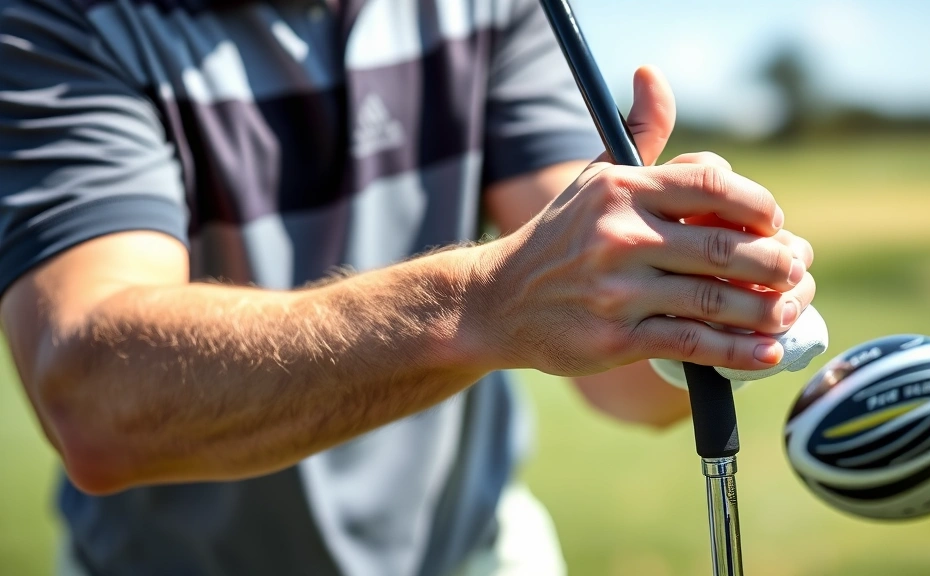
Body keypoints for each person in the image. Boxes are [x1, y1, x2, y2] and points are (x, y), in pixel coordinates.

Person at [0, 0, 816, 574]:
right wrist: (480, 303)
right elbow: (98, 396)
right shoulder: (57, 16)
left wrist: (688, 312)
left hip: (472, 555)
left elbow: (628, 386)